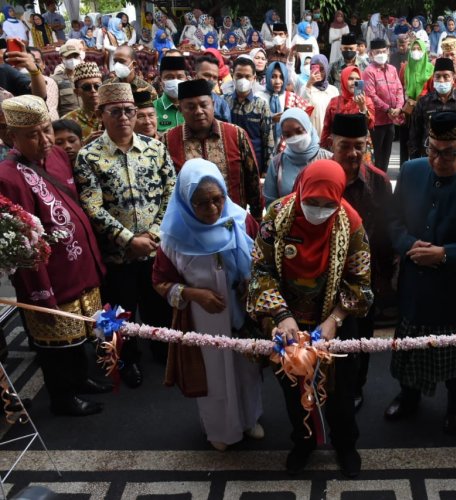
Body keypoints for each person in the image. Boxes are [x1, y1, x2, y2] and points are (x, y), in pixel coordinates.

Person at [248, 159, 373, 477]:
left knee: (341, 394)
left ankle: (345, 444)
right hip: (286, 322)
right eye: (311, 202)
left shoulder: (352, 224)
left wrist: (335, 319)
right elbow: (260, 269)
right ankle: (302, 443)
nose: (319, 210)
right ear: (300, 190)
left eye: (327, 204)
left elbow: (360, 283)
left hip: (335, 323)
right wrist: (281, 314)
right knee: (294, 389)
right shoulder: (276, 216)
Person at [384, 111, 456, 434]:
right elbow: (392, 221)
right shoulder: (411, 171)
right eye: (432, 149)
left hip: (455, 292)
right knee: (410, 351)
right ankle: (408, 398)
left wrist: (445, 255)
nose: (438, 159)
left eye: (448, 153)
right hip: (415, 289)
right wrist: (409, 244)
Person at [0, 95, 108, 416]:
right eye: (33, 134)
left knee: (80, 336)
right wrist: (40, 293)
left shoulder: (60, 155)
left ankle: (81, 380)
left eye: (47, 129)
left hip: (79, 266)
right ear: (11, 138)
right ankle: (63, 398)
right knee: (56, 347)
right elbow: (24, 247)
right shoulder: (7, 177)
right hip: (50, 278)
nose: (46, 140)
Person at [154, 158, 264, 451]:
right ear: (187, 202)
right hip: (203, 319)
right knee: (215, 376)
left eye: (218, 199)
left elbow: (263, 264)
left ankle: (250, 419)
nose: (213, 210)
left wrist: (249, 286)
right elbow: (161, 283)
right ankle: (220, 430)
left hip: (242, 314)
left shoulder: (240, 221)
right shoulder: (173, 238)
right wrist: (195, 295)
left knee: (246, 369)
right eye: (202, 203)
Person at [74, 83, 176, 388]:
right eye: (115, 111)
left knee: (158, 305)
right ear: (101, 115)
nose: (124, 118)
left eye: (129, 111)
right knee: (120, 310)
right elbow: (91, 206)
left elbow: (172, 193)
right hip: (118, 254)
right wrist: (128, 239)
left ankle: (163, 348)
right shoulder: (88, 157)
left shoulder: (155, 148)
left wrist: (153, 234)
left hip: (155, 249)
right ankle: (127, 359)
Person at [331, 113, 394, 409]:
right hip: (325, 277)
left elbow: (385, 232)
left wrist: (382, 279)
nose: (353, 153)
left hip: (366, 279)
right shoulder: (319, 176)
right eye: (345, 145)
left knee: (361, 339)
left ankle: (357, 386)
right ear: (332, 144)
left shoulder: (379, 182)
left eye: (359, 145)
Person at [163, 79, 262, 223]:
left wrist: (256, 219)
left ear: (213, 105)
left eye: (204, 105)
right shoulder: (168, 140)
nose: (198, 111)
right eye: (190, 107)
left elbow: (253, 181)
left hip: (234, 222)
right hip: (189, 226)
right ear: (180, 110)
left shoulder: (236, 134)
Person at [264, 108, 332, 205]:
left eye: (299, 131)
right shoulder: (277, 164)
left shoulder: (329, 160)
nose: (295, 138)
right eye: (288, 134)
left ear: (308, 127)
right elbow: (270, 202)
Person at [409, 57, 456, 158]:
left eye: (446, 76)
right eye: (438, 76)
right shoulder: (424, 102)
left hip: (455, 156)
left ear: (453, 78)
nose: (441, 80)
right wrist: (414, 158)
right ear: (433, 78)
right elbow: (415, 133)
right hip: (429, 156)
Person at [224, 58, 273, 174]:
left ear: (254, 78)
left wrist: (266, 172)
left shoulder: (261, 105)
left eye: (247, 76)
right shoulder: (224, 102)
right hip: (229, 163)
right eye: (239, 76)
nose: (243, 80)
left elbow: (268, 141)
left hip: (254, 164)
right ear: (232, 76)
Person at [363, 38, 404, 172]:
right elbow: (371, 95)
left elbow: (399, 89)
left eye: (383, 51)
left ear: (387, 52)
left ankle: (383, 183)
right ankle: (375, 185)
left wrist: (398, 107)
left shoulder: (392, 69)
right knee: (377, 157)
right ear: (371, 54)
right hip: (377, 122)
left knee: (386, 156)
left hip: (390, 120)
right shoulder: (369, 71)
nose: (381, 54)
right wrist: (388, 109)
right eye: (377, 52)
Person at [320, 66, 374, 149]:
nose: (354, 82)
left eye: (357, 79)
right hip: (340, 147)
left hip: (360, 147)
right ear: (343, 80)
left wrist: (363, 107)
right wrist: (322, 147)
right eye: (350, 79)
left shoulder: (367, 101)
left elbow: (370, 124)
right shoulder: (334, 102)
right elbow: (327, 128)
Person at [298, 55, 339, 137]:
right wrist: (309, 84)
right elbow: (301, 109)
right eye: (315, 68)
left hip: (329, 135)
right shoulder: (305, 88)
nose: (318, 72)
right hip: (311, 135)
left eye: (322, 69)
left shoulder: (333, 90)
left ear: (327, 69)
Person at [62, 62, 103, 144]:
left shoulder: (113, 115)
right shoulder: (68, 120)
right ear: (77, 92)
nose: (93, 91)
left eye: (97, 86)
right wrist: (85, 144)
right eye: (86, 87)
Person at [153, 56, 189, 133]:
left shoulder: (194, 108)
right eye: (169, 78)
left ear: (186, 79)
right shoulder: (152, 109)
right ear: (160, 80)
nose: (175, 81)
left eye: (180, 77)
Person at [192, 54, 232, 122]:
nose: (211, 80)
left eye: (215, 77)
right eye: (207, 75)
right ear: (195, 75)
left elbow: (226, 129)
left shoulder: (221, 104)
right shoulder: (184, 100)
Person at [51, 42, 83, 117]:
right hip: (67, 121)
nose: (73, 60)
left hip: (87, 120)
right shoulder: (55, 80)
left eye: (75, 56)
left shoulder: (85, 77)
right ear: (61, 59)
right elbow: (54, 107)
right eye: (68, 57)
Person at [27, 46, 59, 121]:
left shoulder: (52, 81)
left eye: (37, 61)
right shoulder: (18, 84)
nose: (33, 65)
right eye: (30, 62)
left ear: (43, 64)